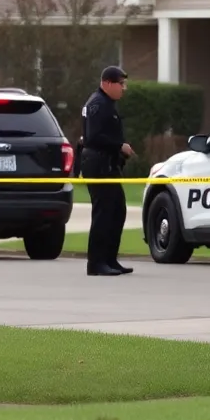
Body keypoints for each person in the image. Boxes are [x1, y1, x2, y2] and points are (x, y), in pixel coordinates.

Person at [80, 65, 136, 276]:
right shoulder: (97, 104)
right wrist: (119, 146)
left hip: (108, 164)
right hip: (98, 163)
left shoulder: (107, 104)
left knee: (117, 210)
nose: (123, 88)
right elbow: (93, 137)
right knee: (103, 212)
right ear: (106, 83)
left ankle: (110, 260)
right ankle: (96, 263)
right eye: (120, 84)